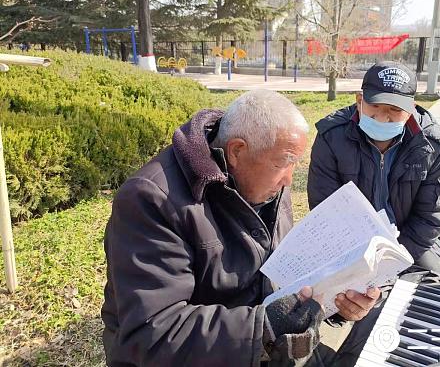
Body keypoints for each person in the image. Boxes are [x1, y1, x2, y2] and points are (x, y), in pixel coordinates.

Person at [101, 89, 380, 366]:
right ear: (236, 151)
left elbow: (282, 273)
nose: (288, 181)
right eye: (283, 163)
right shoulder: (151, 199)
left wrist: (334, 300)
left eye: (294, 164)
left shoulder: (262, 173)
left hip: (261, 346)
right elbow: (153, 333)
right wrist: (265, 327)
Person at [308, 62, 440, 272]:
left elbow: (431, 216)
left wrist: (393, 259)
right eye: (374, 106)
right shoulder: (331, 137)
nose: (383, 118)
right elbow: (325, 207)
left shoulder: (431, 145)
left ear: (411, 109)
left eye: (394, 110)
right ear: (359, 101)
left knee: (433, 282)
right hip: (349, 240)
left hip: (409, 241)